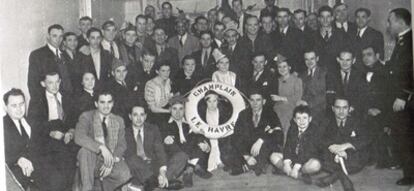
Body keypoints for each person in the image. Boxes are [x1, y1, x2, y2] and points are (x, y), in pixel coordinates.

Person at [4, 88, 65, 191]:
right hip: (17, 168)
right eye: (14, 106)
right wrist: (18, 159)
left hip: (36, 162)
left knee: (58, 177)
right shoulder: (3, 125)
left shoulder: (29, 121)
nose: (19, 109)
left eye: (21, 104)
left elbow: (40, 142)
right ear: (5, 107)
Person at [27, 72, 77, 190]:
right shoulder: (37, 100)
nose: (55, 86)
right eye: (50, 82)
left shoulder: (67, 96)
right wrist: (51, 133)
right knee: (58, 168)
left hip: (66, 136)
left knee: (70, 163)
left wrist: (71, 131)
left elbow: (73, 118)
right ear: (43, 83)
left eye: (57, 81)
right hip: (47, 139)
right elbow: (34, 124)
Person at [75, 91, 131, 191]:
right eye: (102, 102)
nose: (106, 106)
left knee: (125, 175)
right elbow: (79, 136)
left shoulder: (119, 120)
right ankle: (86, 188)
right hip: (91, 160)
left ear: (113, 103)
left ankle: (98, 185)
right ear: (96, 104)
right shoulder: (87, 116)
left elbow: (122, 144)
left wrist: (112, 160)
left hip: (110, 159)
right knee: (84, 151)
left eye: (109, 102)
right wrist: (101, 147)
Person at [124, 105, 185, 190]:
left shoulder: (153, 129)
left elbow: (159, 150)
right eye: (135, 115)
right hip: (139, 168)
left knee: (182, 156)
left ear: (145, 116)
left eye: (142, 115)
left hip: (154, 165)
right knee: (132, 159)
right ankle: (163, 183)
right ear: (130, 116)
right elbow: (128, 155)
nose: (139, 118)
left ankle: (156, 183)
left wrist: (162, 172)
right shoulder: (125, 132)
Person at [315, 97, 371, 191]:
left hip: (350, 157)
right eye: (338, 107)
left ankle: (334, 176)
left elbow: (366, 138)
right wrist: (334, 148)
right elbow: (317, 138)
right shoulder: (326, 122)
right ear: (333, 108)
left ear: (349, 109)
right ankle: (342, 177)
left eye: (345, 108)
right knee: (323, 159)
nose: (341, 111)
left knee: (359, 158)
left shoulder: (357, 121)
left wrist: (346, 146)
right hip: (333, 156)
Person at [386, 8, 414, 186]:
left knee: (406, 137)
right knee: (403, 136)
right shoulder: (402, 41)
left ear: (401, 22)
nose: (388, 25)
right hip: (399, 96)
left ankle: (411, 175)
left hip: (405, 99)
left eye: (390, 21)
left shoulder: (410, 42)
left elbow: (410, 71)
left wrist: (403, 95)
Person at [159, 97, 212, 187]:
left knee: (200, 135)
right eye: (174, 109)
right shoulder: (164, 125)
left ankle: (189, 170)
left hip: (188, 151)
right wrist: (164, 138)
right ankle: (192, 166)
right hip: (176, 157)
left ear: (184, 110)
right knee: (173, 142)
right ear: (170, 110)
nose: (178, 112)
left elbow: (199, 136)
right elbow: (160, 140)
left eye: (181, 109)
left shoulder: (189, 123)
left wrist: (207, 146)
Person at [233, 88, 283, 176]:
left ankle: (251, 166)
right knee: (230, 146)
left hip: (263, 146)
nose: (255, 103)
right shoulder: (243, 114)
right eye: (252, 100)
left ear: (263, 101)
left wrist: (261, 140)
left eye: (258, 100)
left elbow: (279, 134)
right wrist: (246, 156)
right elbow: (236, 135)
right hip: (249, 148)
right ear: (248, 101)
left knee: (269, 142)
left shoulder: (271, 114)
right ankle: (256, 164)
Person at [360, 46, 394, 168]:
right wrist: (367, 109)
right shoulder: (362, 72)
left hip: (384, 111)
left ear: (377, 56)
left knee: (376, 122)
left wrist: (379, 110)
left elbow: (389, 96)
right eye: (363, 55)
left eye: (369, 54)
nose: (365, 58)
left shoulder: (385, 72)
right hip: (367, 110)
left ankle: (384, 158)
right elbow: (361, 95)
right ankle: (370, 156)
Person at [28, 24, 73, 98]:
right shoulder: (38, 55)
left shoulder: (65, 54)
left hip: (67, 100)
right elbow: (33, 83)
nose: (58, 39)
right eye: (54, 36)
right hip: (48, 101)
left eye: (60, 36)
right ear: (48, 37)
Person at [279, 105, 322, 183]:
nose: (301, 121)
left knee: (316, 165)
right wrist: (286, 163)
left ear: (310, 119)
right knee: (273, 156)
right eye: (298, 118)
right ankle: (290, 171)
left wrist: (296, 167)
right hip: (293, 158)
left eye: (305, 118)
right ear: (294, 120)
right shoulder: (292, 128)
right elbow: (287, 146)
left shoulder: (315, 131)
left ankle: (297, 172)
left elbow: (309, 152)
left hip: (306, 160)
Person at [197, 90, 233, 172]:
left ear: (218, 101)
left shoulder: (224, 112)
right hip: (208, 138)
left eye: (214, 101)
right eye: (209, 101)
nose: (212, 104)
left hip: (221, 137)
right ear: (206, 102)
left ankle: (220, 160)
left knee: (227, 151)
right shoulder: (201, 112)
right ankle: (214, 162)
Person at [270, 54, 303, 141]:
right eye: (279, 67)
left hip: (291, 107)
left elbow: (298, 97)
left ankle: (285, 147)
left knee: (285, 122)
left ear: (289, 67)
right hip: (277, 108)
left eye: (284, 66)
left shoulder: (296, 80)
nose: (282, 69)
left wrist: (281, 98)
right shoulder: (277, 81)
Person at [326, 49, 366, 113]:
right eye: (342, 59)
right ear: (338, 59)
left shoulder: (360, 75)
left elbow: (362, 96)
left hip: (354, 111)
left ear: (353, 60)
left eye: (348, 60)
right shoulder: (331, 75)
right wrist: (338, 109)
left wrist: (352, 107)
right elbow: (330, 96)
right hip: (336, 111)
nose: (344, 63)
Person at [313, 6, 348, 72]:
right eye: (322, 17)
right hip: (319, 74)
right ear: (318, 19)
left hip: (337, 73)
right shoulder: (312, 36)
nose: (325, 20)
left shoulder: (341, 34)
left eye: (328, 17)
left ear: (332, 18)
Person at [298, 49, 327, 124]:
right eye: (306, 59)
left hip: (320, 108)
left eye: (312, 59)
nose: (309, 62)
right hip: (303, 109)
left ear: (317, 58)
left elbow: (325, 94)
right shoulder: (301, 75)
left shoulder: (324, 73)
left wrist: (308, 103)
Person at [273, 8, 305, 73]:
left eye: (285, 17)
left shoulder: (298, 33)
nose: (282, 20)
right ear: (276, 19)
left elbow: (301, 54)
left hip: (293, 70)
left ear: (289, 17)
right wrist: (276, 57)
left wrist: (296, 71)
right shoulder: (272, 35)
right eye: (280, 17)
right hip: (277, 71)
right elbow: (270, 52)